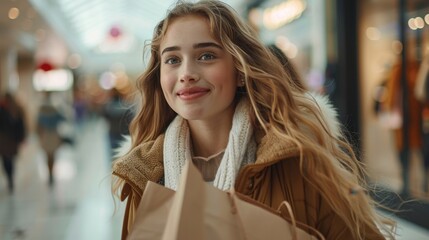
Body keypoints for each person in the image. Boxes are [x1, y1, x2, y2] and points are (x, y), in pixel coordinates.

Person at [112, 1, 395, 239]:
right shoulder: (144, 174)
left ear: (239, 70)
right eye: (173, 60)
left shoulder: (296, 159)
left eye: (206, 55)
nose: (186, 73)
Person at [37, 91, 66, 186]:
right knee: (52, 155)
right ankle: (51, 172)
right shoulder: (55, 108)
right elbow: (63, 118)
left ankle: (50, 172)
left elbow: (38, 125)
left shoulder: (42, 110)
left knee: (48, 155)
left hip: (46, 136)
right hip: (53, 135)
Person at [0, 93, 26, 193]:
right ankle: (10, 178)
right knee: (7, 159)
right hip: (5, 139)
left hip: (9, 140)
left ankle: (10, 177)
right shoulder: (4, 110)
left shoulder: (16, 110)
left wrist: (21, 137)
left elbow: (21, 124)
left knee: (9, 159)